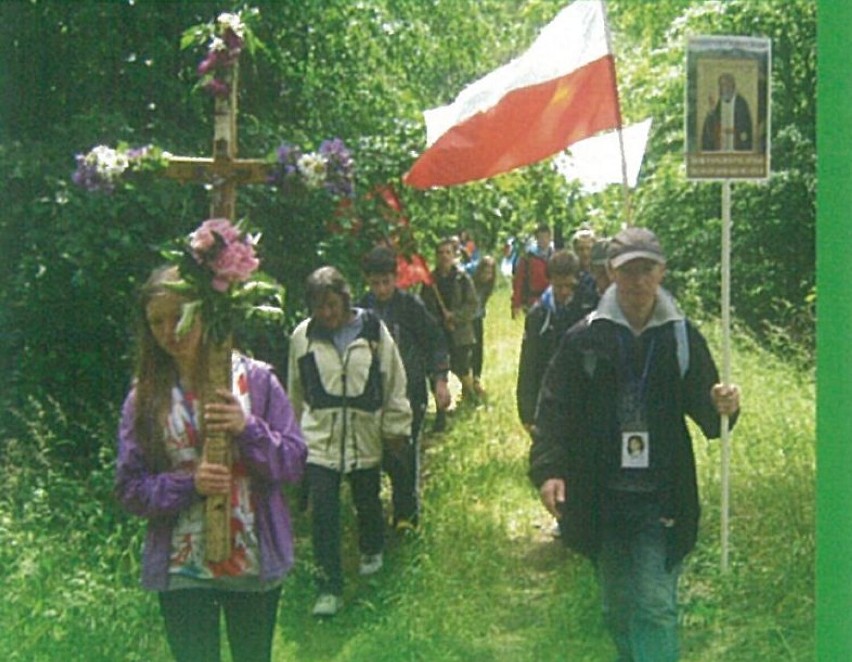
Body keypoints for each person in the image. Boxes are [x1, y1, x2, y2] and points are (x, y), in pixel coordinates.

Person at [529, 227, 741, 661]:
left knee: (656, 604)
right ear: (611, 274)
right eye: (629, 271)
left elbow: (711, 418)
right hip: (601, 495)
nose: (638, 280)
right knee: (617, 608)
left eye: (647, 269)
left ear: (661, 272)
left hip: (661, 499)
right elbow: (555, 407)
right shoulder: (585, 338)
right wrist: (550, 470)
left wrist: (725, 405)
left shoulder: (681, 337)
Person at [115, 265, 307, 662]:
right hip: (182, 570)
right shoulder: (145, 397)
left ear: (202, 311)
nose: (170, 331)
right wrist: (189, 484)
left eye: (179, 316)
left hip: (252, 562)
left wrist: (247, 427)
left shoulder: (255, 381)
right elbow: (130, 488)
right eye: (157, 322)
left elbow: (293, 463)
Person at [288, 266, 412, 617]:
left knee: (367, 501)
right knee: (323, 512)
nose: (326, 313)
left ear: (345, 298)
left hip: (365, 435)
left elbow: (393, 380)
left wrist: (396, 426)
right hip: (320, 440)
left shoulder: (373, 331)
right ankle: (329, 587)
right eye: (318, 306)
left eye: (331, 304)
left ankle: (372, 550)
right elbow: (294, 391)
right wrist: (291, 439)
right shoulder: (302, 337)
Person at [358, 246, 452, 531]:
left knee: (405, 453)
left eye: (386, 282)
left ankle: (406, 516)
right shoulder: (361, 311)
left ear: (395, 278)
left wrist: (440, 379)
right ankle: (371, 517)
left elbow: (435, 340)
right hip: (372, 394)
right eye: (375, 283)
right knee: (374, 454)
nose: (382, 288)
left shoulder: (411, 307)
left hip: (410, 392)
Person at [516, 250, 586, 434]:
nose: (564, 292)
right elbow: (528, 365)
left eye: (569, 286)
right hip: (547, 395)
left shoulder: (585, 310)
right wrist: (527, 413)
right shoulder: (538, 315)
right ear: (550, 280)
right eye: (558, 286)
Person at [421, 238, 480, 426]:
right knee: (438, 373)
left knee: (461, 368)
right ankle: (441, 413)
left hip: (459, 333)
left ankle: (470, 398)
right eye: (440, 253)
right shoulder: (430, 282)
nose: (444, 256)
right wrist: (437, 322)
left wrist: (454, 317)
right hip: (438, 334)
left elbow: (472, 305)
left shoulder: (462, 279)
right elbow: (424, 308)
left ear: (454, 255)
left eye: (448, 252)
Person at [701, 72, 753, 152]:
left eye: (727, 85)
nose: (724, 88)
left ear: (733, 86)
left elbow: (745, 127)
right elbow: (711, 127)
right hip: (721, 147)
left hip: (737, 147)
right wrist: (711, 112)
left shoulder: (741, 103)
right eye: (722, 85)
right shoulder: (719, 104)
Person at [511, 223, 553, 318]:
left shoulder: (555, 256)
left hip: (552, 300)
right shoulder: (528, 258)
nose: (543, 240)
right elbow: (519, 281)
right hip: (533, 300)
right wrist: (516, 304)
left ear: (550, 237)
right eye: (540, 237)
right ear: (536, 238)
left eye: (546, 237)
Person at [471, 255, 497, 399]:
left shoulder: (487, 286)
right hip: (467, 320)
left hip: (478, 318)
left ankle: (476, 378)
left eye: (490, 273)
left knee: (478, 349)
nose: (486, 276)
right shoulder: (470, 282)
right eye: (484, 272)